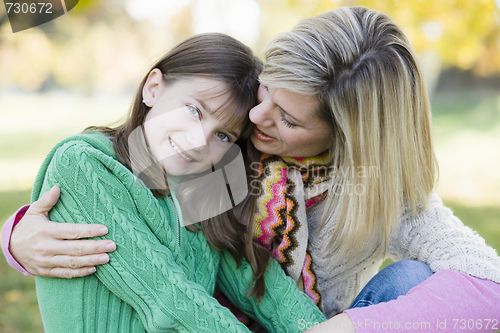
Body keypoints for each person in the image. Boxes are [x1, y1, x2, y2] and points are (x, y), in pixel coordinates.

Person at [3, 6, 500, 333]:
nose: (255, 121)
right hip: (205, 323)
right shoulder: (213, 153)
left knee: (411, 282)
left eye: (287, 118)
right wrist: (18, 236)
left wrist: (342, 329)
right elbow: (143, 243)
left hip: (301, 325)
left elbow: (490, 285)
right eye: (267, 94)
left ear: (343, 137)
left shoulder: (373, 187)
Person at [1, 33, 326, 333]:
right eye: (194, 110)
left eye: (223, 135)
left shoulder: (200, 188)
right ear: (153, 88)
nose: (200, 140)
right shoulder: (85, 164)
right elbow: (166, 296)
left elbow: (259, 284)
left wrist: (319, 329)